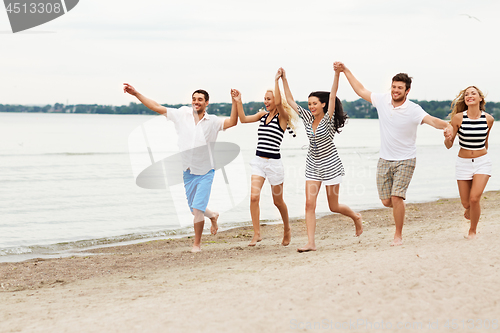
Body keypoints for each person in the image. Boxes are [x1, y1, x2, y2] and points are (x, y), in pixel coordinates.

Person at [335, 62, 453, 246]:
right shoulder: (382, 101)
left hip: (406, 159)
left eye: (400, 88)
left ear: (407, 91)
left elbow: (432, 120)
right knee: (386, 201)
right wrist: (345, 71)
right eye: (394, 86)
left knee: (397, 197)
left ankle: (398, 235)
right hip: (385, 159)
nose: (395, 90)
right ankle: (400, 207)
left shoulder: (413, 110)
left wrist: (447, 126)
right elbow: (360, 90)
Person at [123, 83, 238, 252]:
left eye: (200, 100)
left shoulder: (213, 121)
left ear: (207, 103)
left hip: (206, 171)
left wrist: (235, 103)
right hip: (188, 172)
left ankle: (196, 245)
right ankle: (213, 215)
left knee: (197, 210)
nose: (196, 102)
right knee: (194, 209)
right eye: (194, 99)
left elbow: (233, 122)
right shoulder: (182, 114)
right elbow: (156, 107)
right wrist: (136, 93)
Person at [277, 64, 363, 252]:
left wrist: (337, 74)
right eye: (309, 104)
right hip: (313, 164)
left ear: (323, 104)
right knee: (309, 204)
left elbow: (333, 95)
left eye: (314, 103)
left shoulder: (328, 119)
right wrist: (284, 79)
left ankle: (356, 217)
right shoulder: (308, 118)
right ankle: (311, 243)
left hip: (330, 163)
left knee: (333, 206)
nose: (311, 106)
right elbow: (290, 100)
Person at [230, 71, 298, 246]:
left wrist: (277, 80)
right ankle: (257, 233)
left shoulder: (282, 118)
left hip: (274, 164)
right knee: (254, 197)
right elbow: (243, 119)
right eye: (265, 99)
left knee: (278, 201)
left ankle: (287, 228)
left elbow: (278, 103)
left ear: (276, 100)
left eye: (269, 99)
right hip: (258, 162)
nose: (266, 102)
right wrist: (238, 102)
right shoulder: (262, 116)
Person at [444, 86, 493, 239]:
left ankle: (472, 231)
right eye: (466, 94)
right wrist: (447, 137)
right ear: (465, 100)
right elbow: (449, 145)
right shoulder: (458, 118)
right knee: (467, 203)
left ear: (480, 99)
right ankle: (470, 209)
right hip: (463, 163)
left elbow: (485, 143)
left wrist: (480, 155)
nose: (469, 96)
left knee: (474, 198)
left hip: (482, 162)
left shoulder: (489, 119)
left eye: (473, 93)